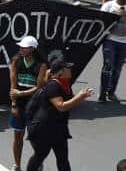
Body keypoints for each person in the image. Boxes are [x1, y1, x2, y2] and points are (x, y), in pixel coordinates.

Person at [24, 52, 94, 171]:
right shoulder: (53, 86)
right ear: (60, 72)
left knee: (63, 158)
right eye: (68, 68)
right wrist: (80, 97)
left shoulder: (64, 84)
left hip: (58, 128)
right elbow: (60, 106)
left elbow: (68, 102)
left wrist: (80, 97)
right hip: (44, 129)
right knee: (40, 156)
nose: (71, 70)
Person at [9, 35, 47, 171]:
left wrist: (22, 93)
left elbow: (39, 87)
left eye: (24, 47)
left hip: (34, 105)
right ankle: (17, 165)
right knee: (18, 136)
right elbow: (13, 85)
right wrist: (14, 104)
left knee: (34, 137)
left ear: (32, 49)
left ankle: (37, 161)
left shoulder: (42, 65)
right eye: (21, 47)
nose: (21, 49)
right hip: (19, 104)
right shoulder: (15, 61)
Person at [99, 0, 126, 103]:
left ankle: (111, 92)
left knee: (117, 69)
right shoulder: (108, 5)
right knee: (108, 67)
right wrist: (113, 16)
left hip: (124, 42)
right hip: (110, 41)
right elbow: (99, 21)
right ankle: (102, 93)